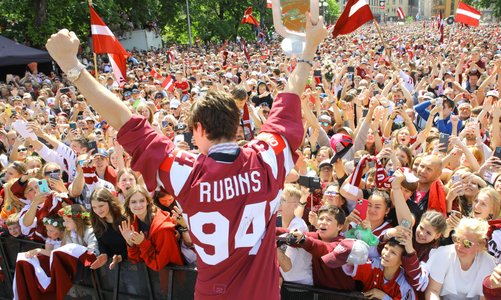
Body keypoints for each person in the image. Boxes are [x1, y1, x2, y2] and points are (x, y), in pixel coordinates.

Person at [45, 12, 328, 299]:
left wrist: (72, 65)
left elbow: (124, 119)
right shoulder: (267, 157)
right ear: (235, 126)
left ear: (199, 128)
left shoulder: (186, 171)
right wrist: (309, 48)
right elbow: (291, 93)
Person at [425, 217, 496, 299]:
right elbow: (433, 290)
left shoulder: (488, 263)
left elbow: (484, 298)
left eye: (467, 243)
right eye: (457, 239)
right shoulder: (443, 254)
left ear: (480, 245)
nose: (460, 246)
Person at [119, 185, 182, 271]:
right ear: (128, 205)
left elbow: (157, 265)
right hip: (151, 278)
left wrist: (142, 243)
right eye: (133, 202)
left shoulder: (163, 229)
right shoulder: (134, 223)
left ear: (148, 202)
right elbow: (136, 260)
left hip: (173, 278)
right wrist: (130, 244)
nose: (138, 205)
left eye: (142, 201)